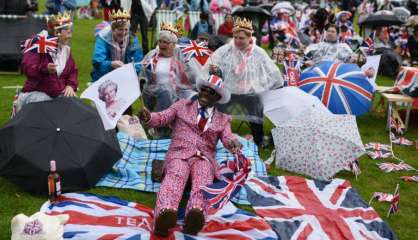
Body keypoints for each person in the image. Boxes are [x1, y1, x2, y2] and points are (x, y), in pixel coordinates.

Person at [138, 75, 242, 237]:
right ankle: (165, 213)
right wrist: (149, 117)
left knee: (203, 178)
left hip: (204, 158)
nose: (206, 93)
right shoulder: (181, 106)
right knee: (176, 174)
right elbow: (162, 118)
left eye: (211, 92)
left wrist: (232, 143)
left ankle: (196, 214)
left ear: (218, 98)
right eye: (204, 89)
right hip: (179, 153)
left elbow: (228, 137)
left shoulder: (223, 119)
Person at [207, 17, 283, 148]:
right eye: (235, 37)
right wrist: (215, 70)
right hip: (229, 91)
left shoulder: (259, 53)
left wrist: (255, 84)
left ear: (249, 38)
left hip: (249, 93)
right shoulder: (226, 50)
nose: (237, 41)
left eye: (241, 38)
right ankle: (215, 136)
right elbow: (213, 65)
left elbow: (274, 74)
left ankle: (258, 140)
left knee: (256, 106)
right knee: (219, 106)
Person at [139, 22, 196, 138]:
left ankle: (188, 129)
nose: (162, 44)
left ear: (174, 45)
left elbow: (189, 75)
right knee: (165, 91)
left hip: (177, 90)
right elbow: (143, 76)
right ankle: (161, 128)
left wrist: (198, 85)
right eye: (160, 41)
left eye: (166, 42)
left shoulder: (178, 55)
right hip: (153, 91)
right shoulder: (152, 55)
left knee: (195, 96)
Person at [16, 11, 78, 112]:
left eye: (70, 32)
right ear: (57, 32)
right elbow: (28, 68)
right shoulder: (40, 45)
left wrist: (70, 85)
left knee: (74, 107)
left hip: (57, 94)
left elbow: (72, 71)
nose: (70, 36)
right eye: (68, 32)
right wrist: (45, 69)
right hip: (37, 93)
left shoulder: (66, 49)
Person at [91, 9, 143, 82]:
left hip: (127, 76)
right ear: (113, 29)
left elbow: (139, 62)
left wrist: (132, 72)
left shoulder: (132, 39)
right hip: (104, 76)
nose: (123, 33)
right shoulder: (103, 39)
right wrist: (111, 64)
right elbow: (97, 62)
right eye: (120, 30)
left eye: (126, 30)